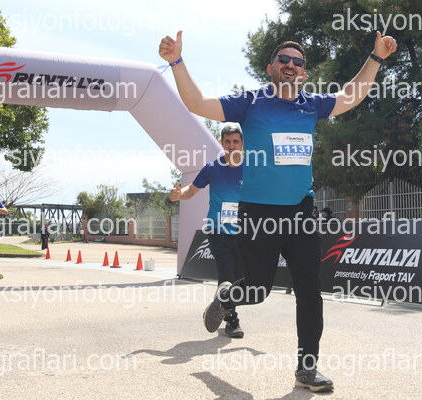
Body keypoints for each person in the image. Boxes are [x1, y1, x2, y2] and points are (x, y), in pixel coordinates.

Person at [159, 30, 397, 392]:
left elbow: (352, 95)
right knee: (257, 291)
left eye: (297, 62)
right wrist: (176, 61)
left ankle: (307, 369)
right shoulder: (250, 103)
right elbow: (197, 102)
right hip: (258, 214)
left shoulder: (312, 104)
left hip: (301, 211)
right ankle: (227, 297)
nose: (290, 64)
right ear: (270, 68)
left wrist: (376, 58)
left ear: (304, 72)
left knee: (309, 290)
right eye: (283, 59)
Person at [169, 124, 245, 338]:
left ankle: (215, 309)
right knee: (227, 275)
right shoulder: (212, 168)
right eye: (227, 142)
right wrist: (179, 195)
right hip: (218, 230)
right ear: (222, 143)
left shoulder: (252, 168)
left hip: (245, 231)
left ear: (242, 143)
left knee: (240, 278)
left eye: (235, 141)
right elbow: (190, 190)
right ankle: (231, 320)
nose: (231, 146)